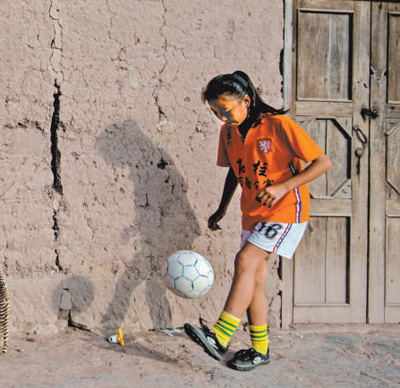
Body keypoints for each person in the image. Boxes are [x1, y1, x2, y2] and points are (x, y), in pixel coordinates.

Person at [184, 71, 332, 371]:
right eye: (216, 112)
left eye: (226, 109)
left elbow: (323, 163)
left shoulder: (278, 126)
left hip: (287, 208)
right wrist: (222, 208)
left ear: (246, 101)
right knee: (254, 280)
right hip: (254, 212)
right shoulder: (228, 133)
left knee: (246, 260)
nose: (222, 117)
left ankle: (221, 336)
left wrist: (282, 187)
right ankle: (260, 349)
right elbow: (234, 172)